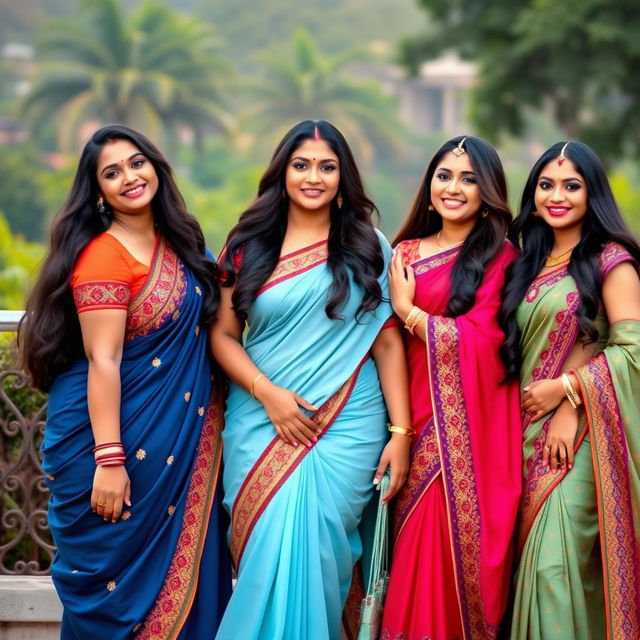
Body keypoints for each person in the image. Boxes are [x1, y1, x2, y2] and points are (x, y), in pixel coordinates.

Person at [19, 124, 231, 639]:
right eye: (112, 172)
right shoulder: (104, 257)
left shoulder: (179, 243)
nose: (130, 177)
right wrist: (110, 462)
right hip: (108, 445)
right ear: (98, 192)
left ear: (156, 165)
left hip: (177, 448)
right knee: (116, 598)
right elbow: (104, 361)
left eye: (137, 163)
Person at [210, 119, 411, 640]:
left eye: (327, 166)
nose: (313, 177)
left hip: (349, 423)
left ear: (343, 178)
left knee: (321, 558)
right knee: (266, 550)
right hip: (262, 420)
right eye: (302, 165)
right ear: (283, 173)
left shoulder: (369, 246)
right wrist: (268, 394)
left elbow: (387, 341)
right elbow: (223, 337)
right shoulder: (247, 245)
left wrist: (402, 434)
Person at [381, 136, 522, 640]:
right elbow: (380, 342)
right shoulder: (404, 253)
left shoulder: (501, 256)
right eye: (444, 175)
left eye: (468, 179)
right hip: (404, 423)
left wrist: (411, 313)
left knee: (435, 552)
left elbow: (490, 343)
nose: (454, 188)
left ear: (488, 192)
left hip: (466, 439)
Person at [499, 141, 640, 639]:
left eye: (572, 186)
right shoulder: (524, 261)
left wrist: (570, 396)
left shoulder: (611, 261)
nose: (557, 195)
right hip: (517, 440)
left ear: (592, 194)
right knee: (526, 574)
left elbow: (633, 350)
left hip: (578, 445)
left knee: (552, 569)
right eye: (546, 184)